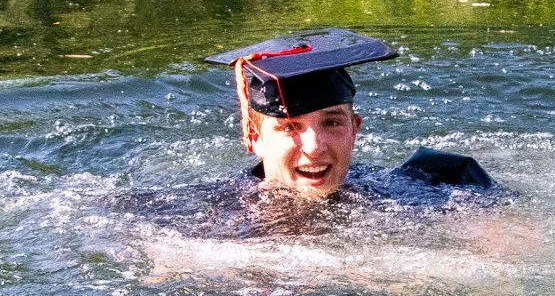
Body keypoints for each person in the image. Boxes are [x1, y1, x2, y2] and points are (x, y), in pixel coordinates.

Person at [207, 29, 495, 204]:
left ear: (354, 128)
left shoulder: (406, 193)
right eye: (290, 127)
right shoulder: (206, 217)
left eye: (331, 122)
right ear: (255, 138)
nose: (315, 147)